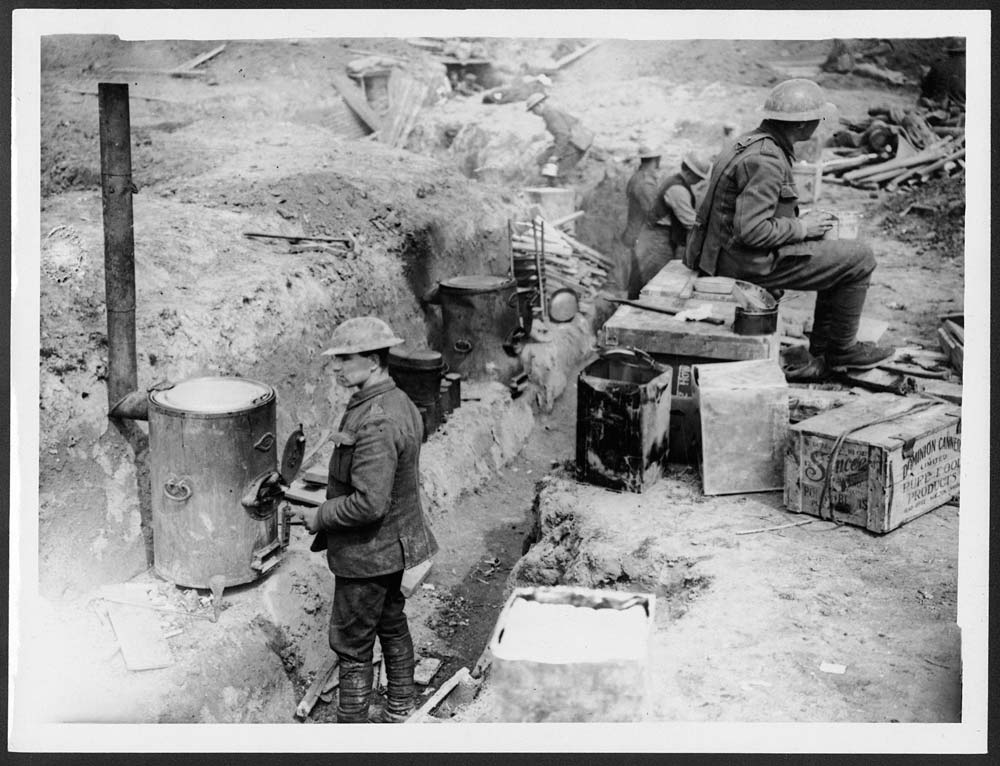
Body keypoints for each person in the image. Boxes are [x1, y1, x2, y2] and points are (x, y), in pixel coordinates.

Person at [684, 78, 894, 377]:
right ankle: (841, 351)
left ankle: (823, 349)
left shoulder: (750, 142)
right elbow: (752, 231)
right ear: (799, 125)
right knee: (860, 258)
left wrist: (798, 218)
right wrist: (802, 227)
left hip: (724, 255)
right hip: (746, 264)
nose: (818, 126)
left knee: (840, 256)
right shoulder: (767, 159)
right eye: (815, 119)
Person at [299, 316, 438, 723]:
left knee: (352, 644)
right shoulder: (394, 402)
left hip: (369, 554)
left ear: (374, 360)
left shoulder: (377, 419)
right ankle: (400, 710)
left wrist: (319, 516)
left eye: (346, 359)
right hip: (394, 546)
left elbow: (369, 504)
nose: (337, 367)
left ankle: (352, 732)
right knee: (391, 622)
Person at [633, 152, 711, 289]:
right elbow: (689, 221)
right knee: (655, 285)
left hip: (658, 238)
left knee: (651, 282)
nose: (699, 181)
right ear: (690, 173)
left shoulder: (676, 182)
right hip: (657, 241)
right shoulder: (678, 189)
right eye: (699, 177)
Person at [609, 145, 662, 298]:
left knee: (637, 278)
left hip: (636, 234)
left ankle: (633, 301)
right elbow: (653, 212)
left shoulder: (639, 176)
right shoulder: (645, 183)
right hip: (641, 235)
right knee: (644, 278)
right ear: (656, 160)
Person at [526, 92, 594, 176]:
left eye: (533, 110)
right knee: (542, 159)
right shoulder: (550, 110)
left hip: (576, 144)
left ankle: (563, 184)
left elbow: (563, 135)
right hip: (575, 141)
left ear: (539, 105)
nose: (533, 113)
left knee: (557, 172)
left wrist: (556, 155)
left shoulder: (550, 114)